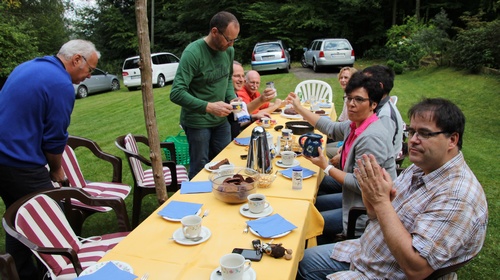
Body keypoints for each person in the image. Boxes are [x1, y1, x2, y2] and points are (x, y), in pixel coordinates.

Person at [297, 98, 488, 280]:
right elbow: (378, 215)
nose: (413, 140)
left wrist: (380, 202)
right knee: (300, 256)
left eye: (425, 133)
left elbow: (416, 269)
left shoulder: (457, 198)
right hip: (368, 250)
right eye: (412, 132)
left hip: (382, 272)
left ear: (452, 140)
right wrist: (372, 197)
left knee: (298, 261)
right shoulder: (423, 168)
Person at [0, 39, 100, 279]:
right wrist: (56, 170)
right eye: (90, 69)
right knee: (51, 217)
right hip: (19, 161)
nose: (89, 75)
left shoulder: (29, 66)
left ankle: (18, 273)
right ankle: (61, 272)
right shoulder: (60, 84)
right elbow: (55, 138)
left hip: (3, 159)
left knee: (18, 216)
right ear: (77, 59)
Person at [285, 72, 396, 245]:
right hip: (350, 199)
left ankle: (313, 254)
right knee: (313, 203)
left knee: (306, 221)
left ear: (373, 104)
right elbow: (329, 127)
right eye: (349, 98)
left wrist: (326, 167)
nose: (351, 104)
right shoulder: (356, 125)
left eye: (359, 100)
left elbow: (361, 184)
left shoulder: (371, 137)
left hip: (363, 215)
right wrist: (299, 108)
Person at [170, 11, 240, 179]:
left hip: (221, 121)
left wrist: (232, 98)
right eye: (228, 39)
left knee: (225, 164)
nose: (231, 45)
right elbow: (176, 93)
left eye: (234, 40)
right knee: (200, 168)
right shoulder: (193, 53)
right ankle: (196, 203)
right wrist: (209, 107)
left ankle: (222, 199)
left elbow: (227, 79)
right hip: (197, 122)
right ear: (214, 31)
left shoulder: (228, 52)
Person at [229, 61, 274, 139]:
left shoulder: (235, 95)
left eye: (242, 76)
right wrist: (263, 100)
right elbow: (247, 114)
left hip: (236, 137)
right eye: (236, 76)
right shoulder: (239, 94)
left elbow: (239, 119)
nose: (241, 80)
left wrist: (284, 103)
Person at [326, 67, 358, 159]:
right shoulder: (347, 95)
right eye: (341, 77)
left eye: (346, 78)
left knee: (321, 148)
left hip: (348, 140)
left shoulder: (352, 98)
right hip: (345, 135)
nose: (343, 80)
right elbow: (341, 120)